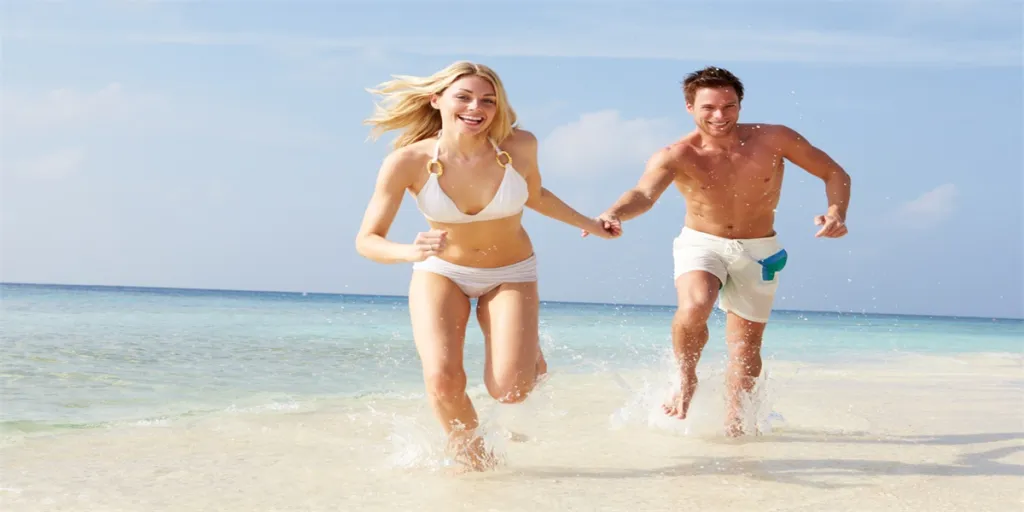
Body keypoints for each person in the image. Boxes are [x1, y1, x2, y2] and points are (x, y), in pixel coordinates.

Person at [355, 60, 620, 471]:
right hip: (441, 273)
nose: (476, 108)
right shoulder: (407, 161)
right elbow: (367, 240)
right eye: (464, 97)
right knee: (442, 379)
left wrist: (591, 224)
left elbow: (536, 195)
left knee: (511, 391)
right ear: (436, 99)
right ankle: (476, 463)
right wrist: (411, 251)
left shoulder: (518, 146)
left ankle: (529, 355)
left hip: (510, 272)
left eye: (488, 101)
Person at [585, 66, 851, 437]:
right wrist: (613, 213)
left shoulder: (775, 139)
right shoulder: (676, 155)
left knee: (744, 353)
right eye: (709, 107)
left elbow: (835, 173)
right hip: (702, 243)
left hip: (759, 249)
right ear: (690, 107)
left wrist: (837, 211)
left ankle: (736, 430)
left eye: (729, 106)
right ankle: (684, 376)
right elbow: (643, 195)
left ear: (740, 105)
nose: (720, 116)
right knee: (695, 305)